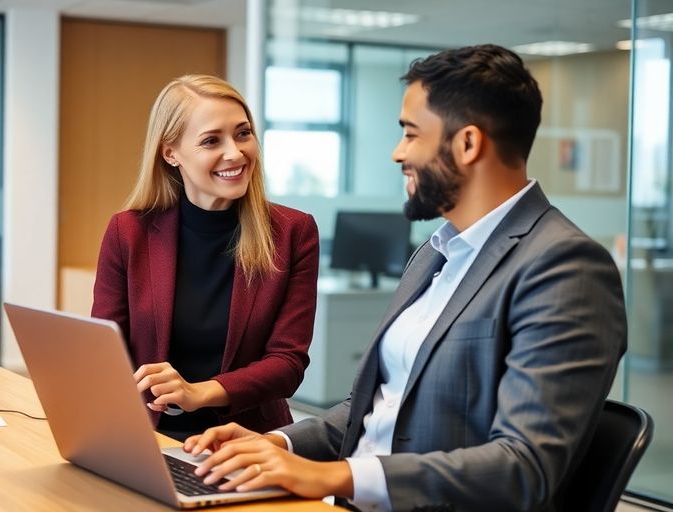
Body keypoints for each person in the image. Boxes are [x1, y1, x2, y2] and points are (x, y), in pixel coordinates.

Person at [183, 44, 627, 511]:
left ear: (468, 144)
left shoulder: (565, 267)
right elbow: (374, 409)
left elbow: (524, 467)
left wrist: (331, 476)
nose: (399, 153)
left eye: (411, 134)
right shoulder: (434, 254)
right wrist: (278, 444)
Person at [92, 75, 319, 441]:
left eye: (243, 134)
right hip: (148, 436)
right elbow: (106, 348)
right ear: (171, 153)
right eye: (212, 140)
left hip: (246, 439)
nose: (235, 153)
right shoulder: (128, 232)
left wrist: (199, 392)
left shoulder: (293, 232)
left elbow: (287, 364)